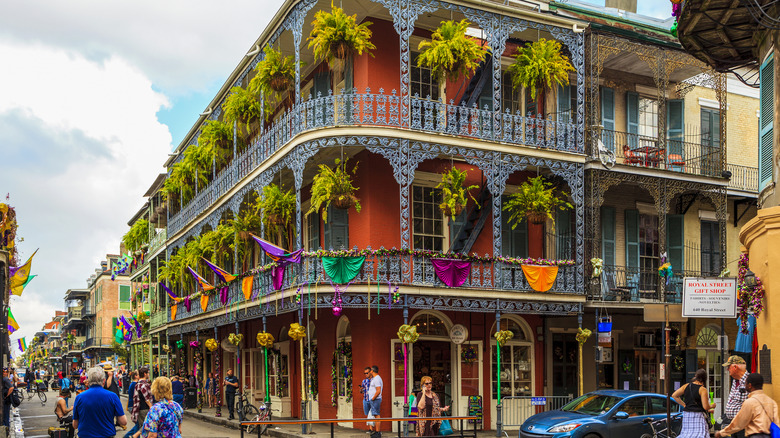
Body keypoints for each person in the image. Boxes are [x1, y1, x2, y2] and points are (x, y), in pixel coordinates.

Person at [716, 373, 778, 438]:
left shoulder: (749, 402)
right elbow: (776, 423)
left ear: (750, 385)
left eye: (746, 383)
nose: (745, 385)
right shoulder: (772, 402)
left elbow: (738, 423)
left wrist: (722, 432)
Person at [72, 366, 127, 438]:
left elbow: (75, 425)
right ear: (104, 381)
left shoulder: (79, 397)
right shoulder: (113, 396)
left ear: (89, 381)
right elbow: (123, 422)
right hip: (106, 435)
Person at [672, 369, 716, 438]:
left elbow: (674, 395)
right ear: (705, 379)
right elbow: (705, 407)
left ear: (696, 376)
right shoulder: (702, 389)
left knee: (686, 435)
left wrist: (684, 405)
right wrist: (712, 406)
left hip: (687, 415)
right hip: (698, 416)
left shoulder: (686, 386)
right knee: (699, 435)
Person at [722, 355, 750, 438]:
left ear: (735, 367)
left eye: (728, 366)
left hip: (743, 425)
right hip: (734, 424)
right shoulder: (735, 381)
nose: (727, 369)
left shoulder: (749, 381)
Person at [132, 366, 153, 437]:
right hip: (145, 408)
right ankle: (134, 436)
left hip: (140, 408)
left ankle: (135, 435)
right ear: (144, 374)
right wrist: (151, 406)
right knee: (148, 425)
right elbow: (146, 398)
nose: (148, 375)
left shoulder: (137, 384)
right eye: (148, 373)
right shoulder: (143, 384)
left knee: (144, 426)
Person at [368, 365, 383, 435]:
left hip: (376, 399)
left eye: (370, 370)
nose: (370, 372)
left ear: (372, 371)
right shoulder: (375, 378)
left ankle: (378, 432)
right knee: (375, 414)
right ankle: (377, 431)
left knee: (377, 415)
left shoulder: (377, 379)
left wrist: (373, 398)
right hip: (375, 399)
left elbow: (378, 390)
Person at [124, 371, 139, 438]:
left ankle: (127, 436)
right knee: (138, 424)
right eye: (138, 374)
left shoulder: (133, 384)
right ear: (135, 376)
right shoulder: (134, 384)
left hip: (131, 405)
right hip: (133, 405)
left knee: (138, 424)